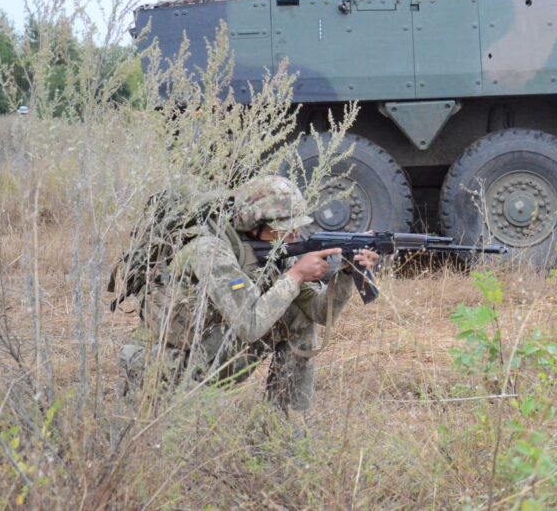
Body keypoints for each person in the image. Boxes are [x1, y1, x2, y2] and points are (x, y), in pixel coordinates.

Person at [117, 175, 379, 412]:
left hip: (209, 352)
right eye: (284, 226)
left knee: (299, 318)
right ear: (254, 222)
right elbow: (250, 326)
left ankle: (286, 419)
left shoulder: (273, 247)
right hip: (167, 370)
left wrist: (346, 274)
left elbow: (319, 313)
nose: (294, 234)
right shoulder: (209, 250)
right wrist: (296, 275)